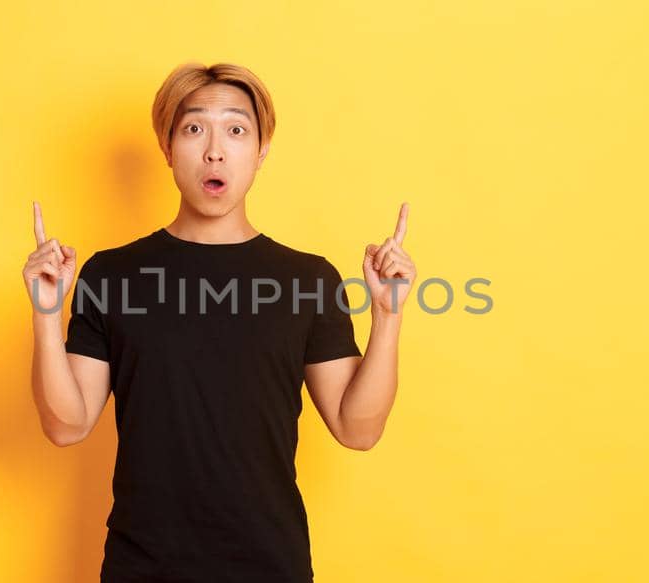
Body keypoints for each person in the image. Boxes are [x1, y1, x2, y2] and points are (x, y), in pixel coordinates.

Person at [22, 62, 415, 582]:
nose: (215, 149)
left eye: (236, 129)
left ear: (261, 151)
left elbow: (357, 428)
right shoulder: (112, 275)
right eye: (193, 128)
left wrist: (387, 318)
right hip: (143, 568)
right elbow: (66, 425)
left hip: (270, 567)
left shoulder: (308, 279)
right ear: (166, 147)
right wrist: (46, 316)